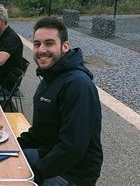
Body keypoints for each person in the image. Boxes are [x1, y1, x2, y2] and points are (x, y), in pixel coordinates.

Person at [17, 17, 103, 185]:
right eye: (37, 44)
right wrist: (12, 146)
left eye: (49, 43)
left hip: (72, 173)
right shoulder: (50, 76)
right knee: (3, 161)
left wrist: (34, 174)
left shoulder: (77, 85)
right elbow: (39, 131)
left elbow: (72, 148)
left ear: (65, 46)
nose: (41, 50)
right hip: (48, 152)